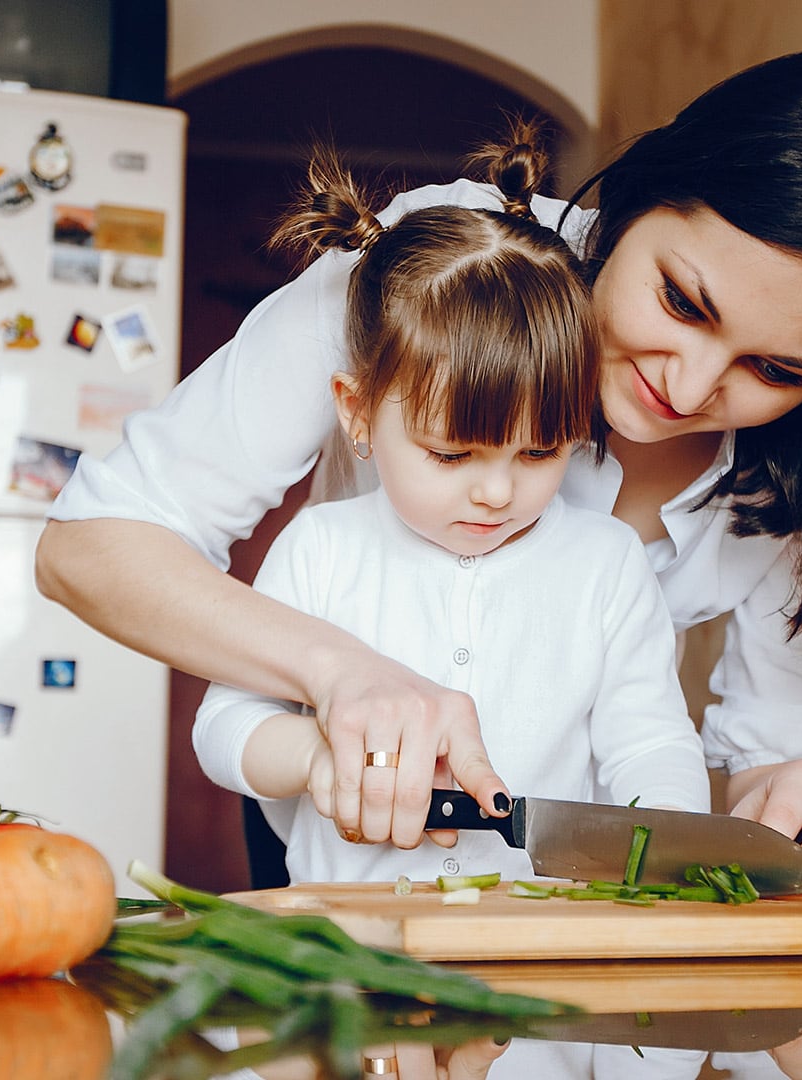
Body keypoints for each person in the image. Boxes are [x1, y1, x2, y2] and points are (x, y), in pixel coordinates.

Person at [37, 45, 802, 897]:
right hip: (349, 837)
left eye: (777, 368)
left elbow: (773, 742)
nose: (691, 383)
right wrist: (343, 677)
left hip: (564, 904)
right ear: (641, 193)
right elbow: (93, 546)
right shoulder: (443, 271)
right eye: (684, 301)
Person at [192, 133, 711, 885]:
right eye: (451, 454)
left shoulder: (606, 565)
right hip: (350, 942)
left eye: (540, 453)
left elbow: (650, 744)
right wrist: (316, 760)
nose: (498, 493)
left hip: (540, 946)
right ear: (359, 411)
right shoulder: (322, 550)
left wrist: (671, 858)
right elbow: (223, 726)